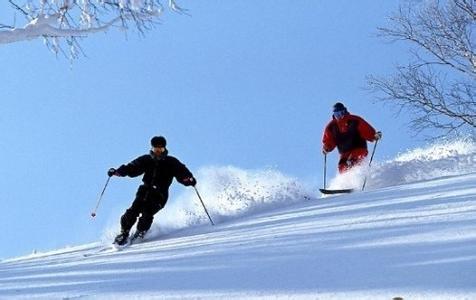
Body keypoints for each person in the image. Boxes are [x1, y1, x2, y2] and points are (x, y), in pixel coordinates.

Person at [108, 136, 196, 245]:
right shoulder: (146, 160)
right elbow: (132, 168)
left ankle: (140, 232)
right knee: (133, 210)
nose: (158, 152)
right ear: (152, 148)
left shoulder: (171, 162)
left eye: (161, 150)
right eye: (156, 150)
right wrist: (118, 172)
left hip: (160, 194)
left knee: (147, 213)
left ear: (165, 149)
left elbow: (182, 173)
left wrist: (188, 179)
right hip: (145, 190)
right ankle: (124, 232)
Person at [322, 102, 382, 173]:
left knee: (352, 161)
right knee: (342, 166)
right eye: (336, 114)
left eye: (341, 113)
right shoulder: (331, 126)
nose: (339, 116)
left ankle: (359, 176)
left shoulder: (354, 120)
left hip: (359, 148)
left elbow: (365, 129)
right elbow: (329, 139)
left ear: (344, 111)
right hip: (344, 152)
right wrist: (327, 147)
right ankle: (346, 182)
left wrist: (374, 136)